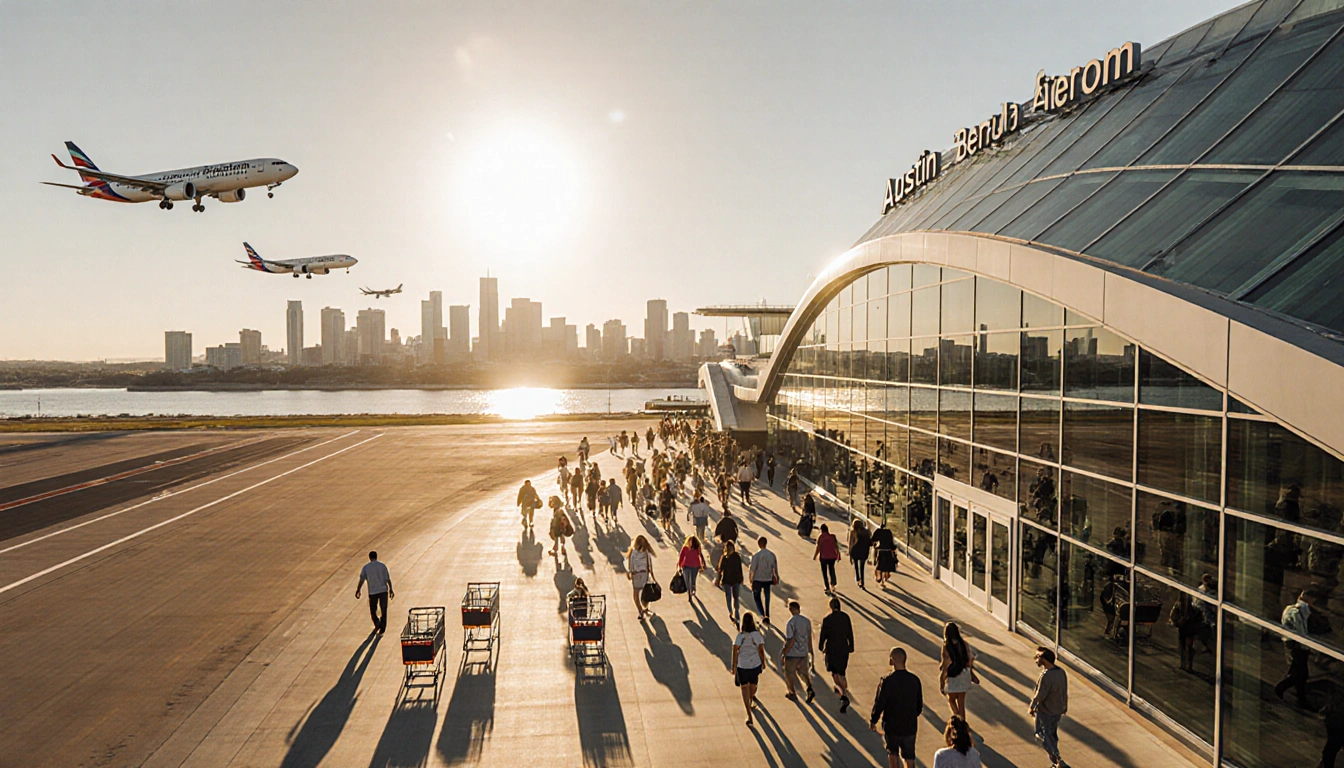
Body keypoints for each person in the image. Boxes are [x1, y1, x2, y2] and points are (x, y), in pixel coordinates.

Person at [870, 646, 923, 768]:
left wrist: (873, 720)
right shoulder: (915, 680)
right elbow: (919, 705)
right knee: (909, 755)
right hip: (909, 725)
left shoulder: (887, 681)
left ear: (892, 660)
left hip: (892, 725)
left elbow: (879, 703)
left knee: (893, 753)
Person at [1029, 646, 1070, 768]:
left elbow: (1041, 694)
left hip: (1046, 711)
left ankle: (1057, 759)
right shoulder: (1061, 672)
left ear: (1044, 659)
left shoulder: (1046, 675)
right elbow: (1064, 691)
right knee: (1051, 734)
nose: (1036, 660)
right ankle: (1056, 760)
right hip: (1057, 710)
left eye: (1037, 657)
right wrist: (1064, 706)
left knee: (1042, 735)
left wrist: (1032, 706)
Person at [1276, 589, 1313, 706]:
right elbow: (1301, 632)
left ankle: (1300, 697)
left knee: (1298, 672)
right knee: (1300, 673)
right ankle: (1281, 689)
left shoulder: (1293, 610)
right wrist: (1306, 647)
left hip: (1295, 645)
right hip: (1297, 646)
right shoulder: (1297, 612)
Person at [818, 596, 854, 712]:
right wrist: (851, 645)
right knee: (841, 670)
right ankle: (843, 686)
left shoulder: (827, 619)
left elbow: (823, 635)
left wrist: (821, 646)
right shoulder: (845, 617)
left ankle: (843, 693)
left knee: (834, 672)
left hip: (832, 648)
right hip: (843, 647)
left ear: (830, 607)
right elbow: (850, 632)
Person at [732, 612, 768, 727]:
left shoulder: (740, 636)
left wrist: (734, 665)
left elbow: (735, 650)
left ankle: (749, 707)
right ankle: (749, 711)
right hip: (754, 664)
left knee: (745, 688)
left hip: (743, 665)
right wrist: (763, 662)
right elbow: (761, 650)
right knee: (752, 685)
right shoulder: (757, 635)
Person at [939, 622, 978, 722]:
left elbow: (945, 665)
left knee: (951, 700)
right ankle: (963, 722)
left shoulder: (947, 646)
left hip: (953, 676)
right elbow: (969, 660)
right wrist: (971, 674)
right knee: (961, 703)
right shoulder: (963, 644)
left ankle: (958, 720)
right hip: (964, 674)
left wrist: (942, 681)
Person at [780, 599, 815, 703]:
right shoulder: (806, 621)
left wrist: (784, 652)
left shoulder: (791, 623)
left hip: (793, 653)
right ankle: (809, 688)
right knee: (804, 673)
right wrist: (810, 651)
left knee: (789, 673)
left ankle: (792, 693)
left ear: (791, 609)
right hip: (803, 652)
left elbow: (791, 639)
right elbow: (809, 637)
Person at [355, 550, 395, 635]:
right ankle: (382, 627)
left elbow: (362, 579)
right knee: (383, 609)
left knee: (373, 609)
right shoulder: (382, 566)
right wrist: (391, 589)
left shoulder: (366, 567)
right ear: (376, 556)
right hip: (383, 590)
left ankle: (377, 623)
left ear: (369, 558)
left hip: (373, 592)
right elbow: (387, 579)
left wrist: (358, 589)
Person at [749, 536, 779, 625]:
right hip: (767, 578)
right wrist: (776, 577)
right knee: (767, 596)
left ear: (758, 544)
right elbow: (775, 567)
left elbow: (752, 569)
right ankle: (767, 613)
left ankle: (762, 613)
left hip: (758, 579)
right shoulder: (771, 555)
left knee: (757, 597)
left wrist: (751, 579)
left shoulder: (756, 555)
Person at [626, 535, 656, 619]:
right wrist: (653, 578)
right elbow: (650, 566)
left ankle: (640, 611)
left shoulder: (633, 552)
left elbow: (631, 564)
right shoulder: (646, 553)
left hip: (636, 575)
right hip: (644, 575)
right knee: (645, 594)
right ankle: (645, 609)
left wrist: (630, 573)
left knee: (635, 596)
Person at [716, 540, 746, 620]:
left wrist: (718, 580)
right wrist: (742, 578)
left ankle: (732, 612)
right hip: (735, 580)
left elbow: (720, 570)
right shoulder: (736, 557)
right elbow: (739, 569)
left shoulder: (725, 557)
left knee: (729, 597)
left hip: (728, 580)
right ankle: (735, 612)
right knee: (735, 597)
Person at [814, 523, 841, 594]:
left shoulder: (820, 537)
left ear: (821, 530)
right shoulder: (833, 537)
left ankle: (827, 587)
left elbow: (818, 548)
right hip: (832, 557)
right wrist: (838, 555)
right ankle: (833, 584)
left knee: (824, 572)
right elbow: (836, 547)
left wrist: (815, 556)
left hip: (824, 557)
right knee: (832, 570)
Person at [678, 535, 706, 600]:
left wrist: (703, 563)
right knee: (686, 580)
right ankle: (689, 593)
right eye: (690, 541)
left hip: (695, 566)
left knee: (693, 579)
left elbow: (700, 555)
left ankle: (693, 588)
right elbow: (681, 557)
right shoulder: (685, 548)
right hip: (686, 566)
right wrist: (679, 566)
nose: (691, 543)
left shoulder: (697, 548)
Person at [849, 519, 872, 589]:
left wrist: (850, 552)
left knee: (856, 566)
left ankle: (858, 579)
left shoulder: (853, 532)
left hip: (855, 551)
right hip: (864, 551)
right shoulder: (866, 532)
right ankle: (862, 582)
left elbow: (851, 543)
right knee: (862, 567)